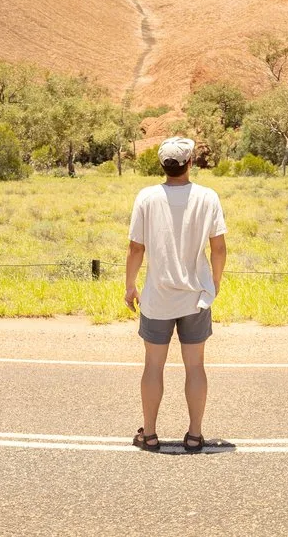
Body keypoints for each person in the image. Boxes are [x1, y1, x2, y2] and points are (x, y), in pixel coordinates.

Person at [125, 135, 228, 453]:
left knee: (153, 366)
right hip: (195, 296)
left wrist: (130, 286)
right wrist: (215, 281)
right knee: (195, 367)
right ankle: (195, 435)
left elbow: (136, 248)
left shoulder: (146, 197)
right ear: (190, 163)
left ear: (163, 165)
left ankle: (151, 434)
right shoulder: (207, 197)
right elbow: (219, 247)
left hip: (157, 297)